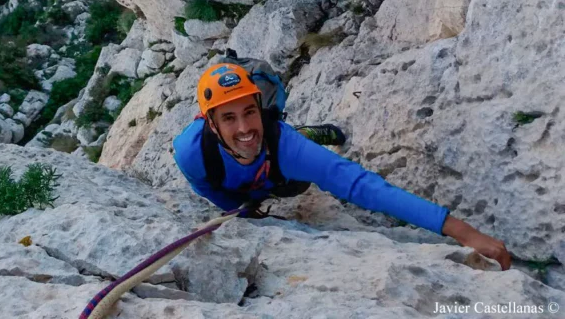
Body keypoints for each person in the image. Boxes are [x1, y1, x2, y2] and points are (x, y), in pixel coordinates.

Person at [172, 61, 512, 270]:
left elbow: (361, 186)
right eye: (229, 118)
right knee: (270, 154)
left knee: (303, 169)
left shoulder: (283, 147)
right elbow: (206, 186)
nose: (244, 127)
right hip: (248, 187)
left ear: (260, 108)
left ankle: (307, 135)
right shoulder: (191, 154)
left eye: (250, 112)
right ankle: (304, 137)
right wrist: (241, 212)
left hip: (281, 172)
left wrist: (465, 233)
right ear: (211, 124)